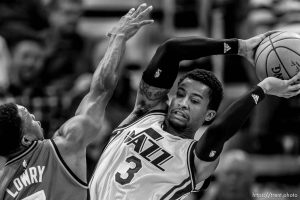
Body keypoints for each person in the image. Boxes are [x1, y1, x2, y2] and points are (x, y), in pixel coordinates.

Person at [89, 27, 300, 199]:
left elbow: (219, 132)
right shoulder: (145, 114)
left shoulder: (194, 159)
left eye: (195, 100)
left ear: (209, 115)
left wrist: (262, 90)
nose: (183, 103)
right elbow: (170, 50)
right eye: (180, 94)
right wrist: (239, 46)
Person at [0, 4, 154, 200]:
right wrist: (118, 39)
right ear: (26, 139)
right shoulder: (64, 147)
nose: (32, 115)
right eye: (28, 117)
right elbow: (100, 91)